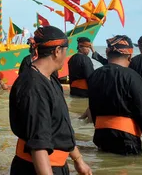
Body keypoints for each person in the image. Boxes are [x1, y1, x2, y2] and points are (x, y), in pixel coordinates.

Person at [9, 26, 92, 175]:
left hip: (57, 166)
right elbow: (38, 143)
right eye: (65, 51)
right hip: (36, 168)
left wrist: (78, 160)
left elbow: (61, 127)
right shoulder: (33, 86)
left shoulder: (51, 79)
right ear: (57, 51)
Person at [87, 35, 142, 156]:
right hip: (125, 137)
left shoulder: (95, 75)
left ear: (107, 53)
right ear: (130, 55)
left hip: (100, 135)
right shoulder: (132, 76)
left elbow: (93, 107)